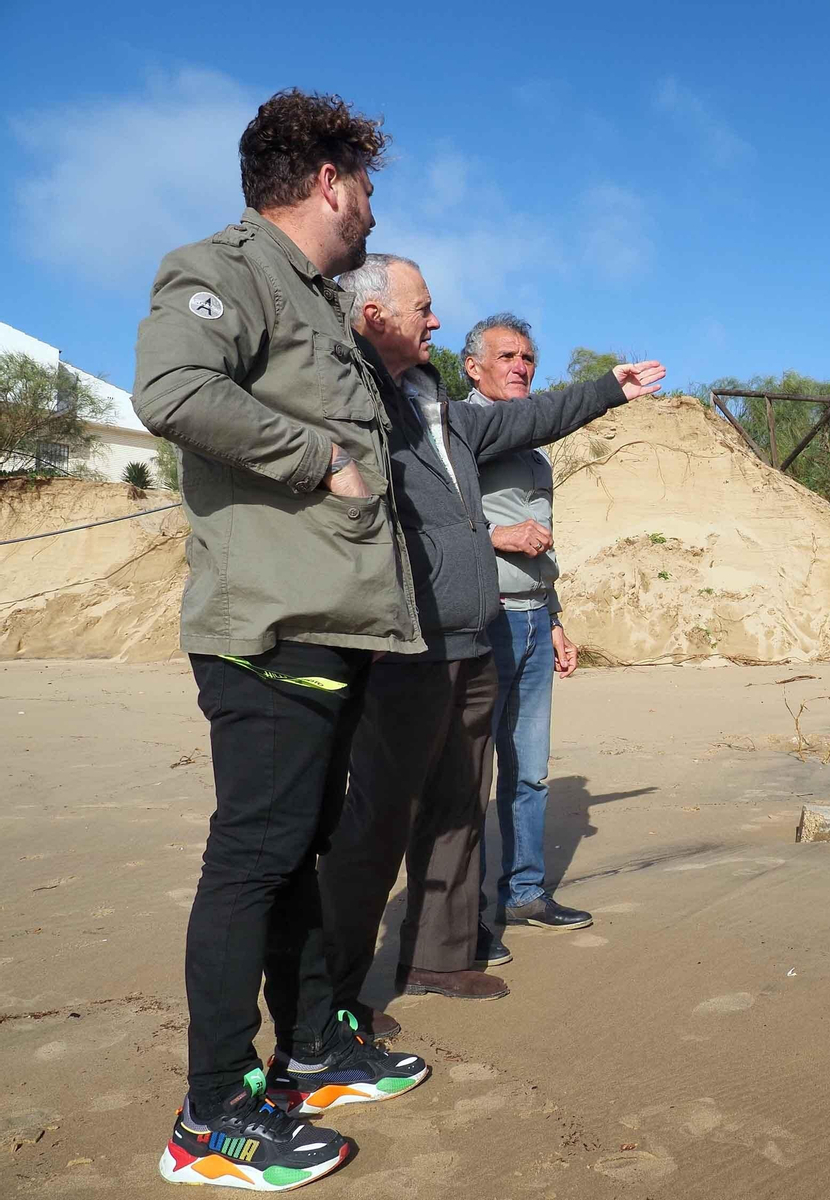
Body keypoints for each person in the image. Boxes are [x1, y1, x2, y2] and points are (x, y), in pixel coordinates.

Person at [132, 90, 429, 1192]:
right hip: (267, 625)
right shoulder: (228, 268)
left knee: (296, 850)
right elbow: (171, 389)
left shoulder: (316, 298)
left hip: (332, 618)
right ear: (328, 181)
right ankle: (210, 1117)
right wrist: (317, 458)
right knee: (253, 858)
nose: (368, 210)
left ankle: (310, 1050)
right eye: (365, 187)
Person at [318, 257, 664, 1033]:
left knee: (461, 800)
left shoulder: (443, 412)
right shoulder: (350, 400)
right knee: (380, 816)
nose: (434, 321)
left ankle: (443, 955)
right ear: (373, 316)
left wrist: (608, 389)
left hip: (475, 638)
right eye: (423, 308)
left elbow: (536, 418)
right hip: (404, 641)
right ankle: (330, 999)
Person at [462, 314, 592, 934]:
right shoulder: (455, 433)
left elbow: (539, 543)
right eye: (506, 356)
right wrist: (496, 535)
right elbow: (418, 519)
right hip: (483, 625)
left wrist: (556, 617)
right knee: (472, 772)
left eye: (528, 358)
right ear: (473, 368)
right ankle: (470, 917)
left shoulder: (533, 442)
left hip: (535, 620)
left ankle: (525, 893)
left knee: (530, 770)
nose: (520, 366)